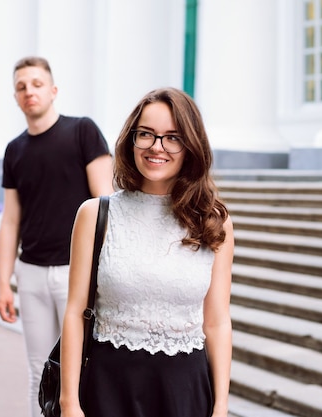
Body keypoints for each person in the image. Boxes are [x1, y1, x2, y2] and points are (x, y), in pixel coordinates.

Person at [60, 87, 234, 417]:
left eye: (173, 137)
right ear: (131, 139)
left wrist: (221, 407)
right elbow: (74, 313)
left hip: (185, 390)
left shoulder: (214, 223)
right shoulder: (95, 214)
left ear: (191, 146)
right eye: (146, 135)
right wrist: (70, 403)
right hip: (108, 386)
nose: (157, 147)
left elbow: (217, 322)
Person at [0, 56, 114, 417]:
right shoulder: (14, 150)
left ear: (53, 90)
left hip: (74, 274)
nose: (29, 91)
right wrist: (3, 282)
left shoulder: (83, 132)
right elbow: (10, 220)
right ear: (16, 97)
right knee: (40, 373)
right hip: (30, 274)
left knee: (81, 372)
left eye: (36, 83)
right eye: (21, 86)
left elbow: (106, 206)